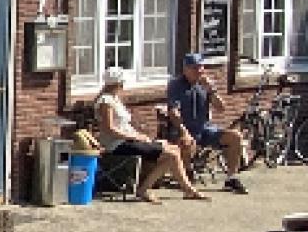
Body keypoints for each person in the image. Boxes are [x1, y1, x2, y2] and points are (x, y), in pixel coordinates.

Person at [95, 67, 208, 203]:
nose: (123, 85)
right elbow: (109, 129)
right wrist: (136, 137)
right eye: (122, 82)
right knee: (171, 154)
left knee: (173, 149)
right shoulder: (106, 101)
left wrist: (142, 137)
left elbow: (124, 126)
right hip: (117, 144)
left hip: (127, 140)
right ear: (118, 83)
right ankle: (147, 189)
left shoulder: (114, 98)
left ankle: (185, 189)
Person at [167, 52, 248, 194]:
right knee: (187, 142)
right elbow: (173, 112)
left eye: (201, 67)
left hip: (204, 129)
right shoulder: (176, 85)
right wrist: (183, 131)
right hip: (184, 128)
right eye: (194, 68)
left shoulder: (205, 85)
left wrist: (212, 90)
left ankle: (231, 178)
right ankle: (187, 176)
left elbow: (221, 108)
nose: (199, 71)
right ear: (185, 69)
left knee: (235, 137)